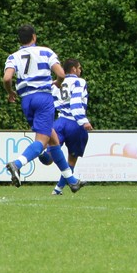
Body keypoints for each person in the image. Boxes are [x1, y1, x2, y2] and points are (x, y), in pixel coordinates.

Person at [2, 25, 85, 193]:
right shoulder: (46, 52)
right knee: (42, 140)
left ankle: (72, 181)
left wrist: (10, 92)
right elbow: (61, 74)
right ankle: (17, 164)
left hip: (26, 100)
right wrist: (58, 83)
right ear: (34, 36)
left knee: (53, 140)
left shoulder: (13, 56)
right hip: (43, 99)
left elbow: (7, 78)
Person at [39, 59, 93, 195]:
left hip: (60, 122)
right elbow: (75, 102)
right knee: (72, 159)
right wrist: (83, 121)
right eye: (79, 68)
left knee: (50, 156)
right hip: (75, 124)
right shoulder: (79, 82)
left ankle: (39, 152)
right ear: (74, 69)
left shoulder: (56, 83)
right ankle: (58, 189)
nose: (80, 70)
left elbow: (49, 103)